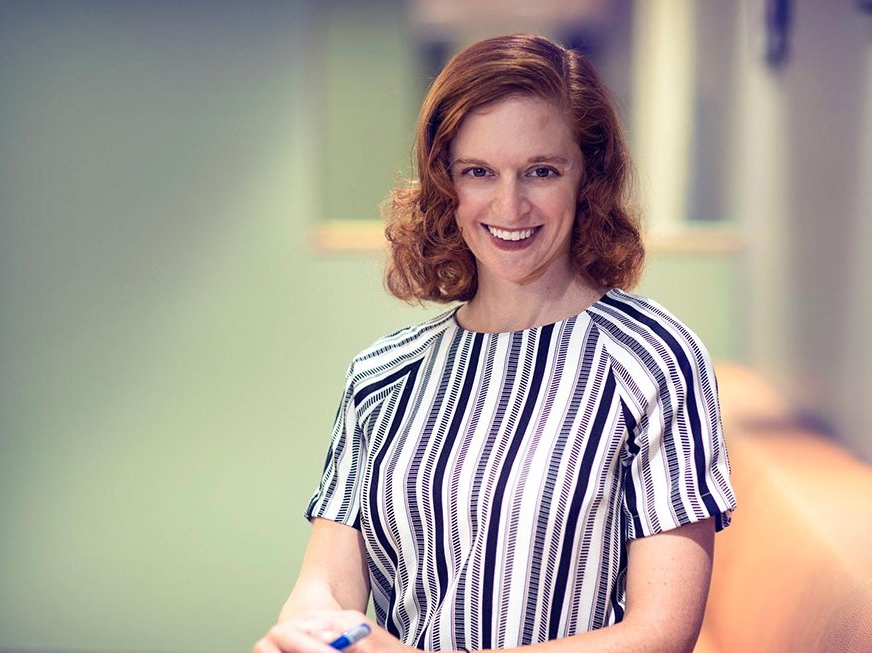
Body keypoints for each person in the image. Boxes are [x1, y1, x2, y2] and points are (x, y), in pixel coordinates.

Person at [255, 33, 735, 653]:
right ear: (444, 184)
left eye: (541, 170)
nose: (510, 205)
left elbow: (661, 637)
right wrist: (310, 635)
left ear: (589, 177)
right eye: (478, 172)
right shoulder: (381, 375)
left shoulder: (654, 360)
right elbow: (324, 585)